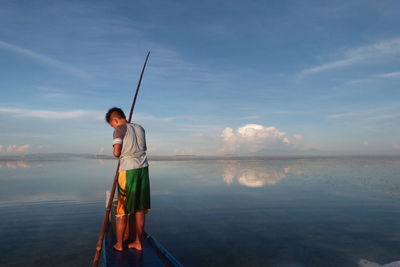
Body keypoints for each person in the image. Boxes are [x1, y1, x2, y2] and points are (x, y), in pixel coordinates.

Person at [105, 107, 151, 251]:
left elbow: (116, 152)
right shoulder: (140, 128)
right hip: (143, 170)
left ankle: (119, 244)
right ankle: (138, 242)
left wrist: (117, 152)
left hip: (128, 171)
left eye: (113, 125)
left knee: (122, 209)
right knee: (140, 208)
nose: (114, 127)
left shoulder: (119, 129)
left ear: (115, 120)